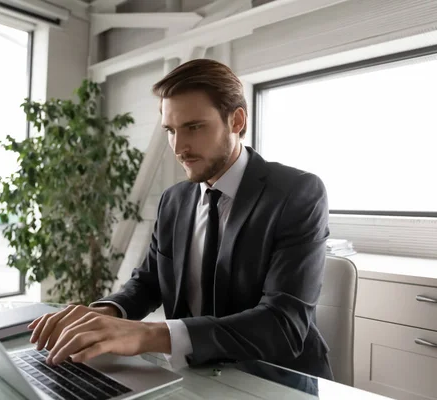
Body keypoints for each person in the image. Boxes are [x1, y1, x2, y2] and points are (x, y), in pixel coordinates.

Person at [28, 59, 333, 380]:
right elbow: (148, 283)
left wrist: (146, 334)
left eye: (194, 127)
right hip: (195, 376)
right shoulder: (174, 200)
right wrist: (104, 313)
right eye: (170, 130)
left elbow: (283, 325)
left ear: (237, 120)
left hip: (276, 379)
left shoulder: (296, 192)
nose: (179, 146)